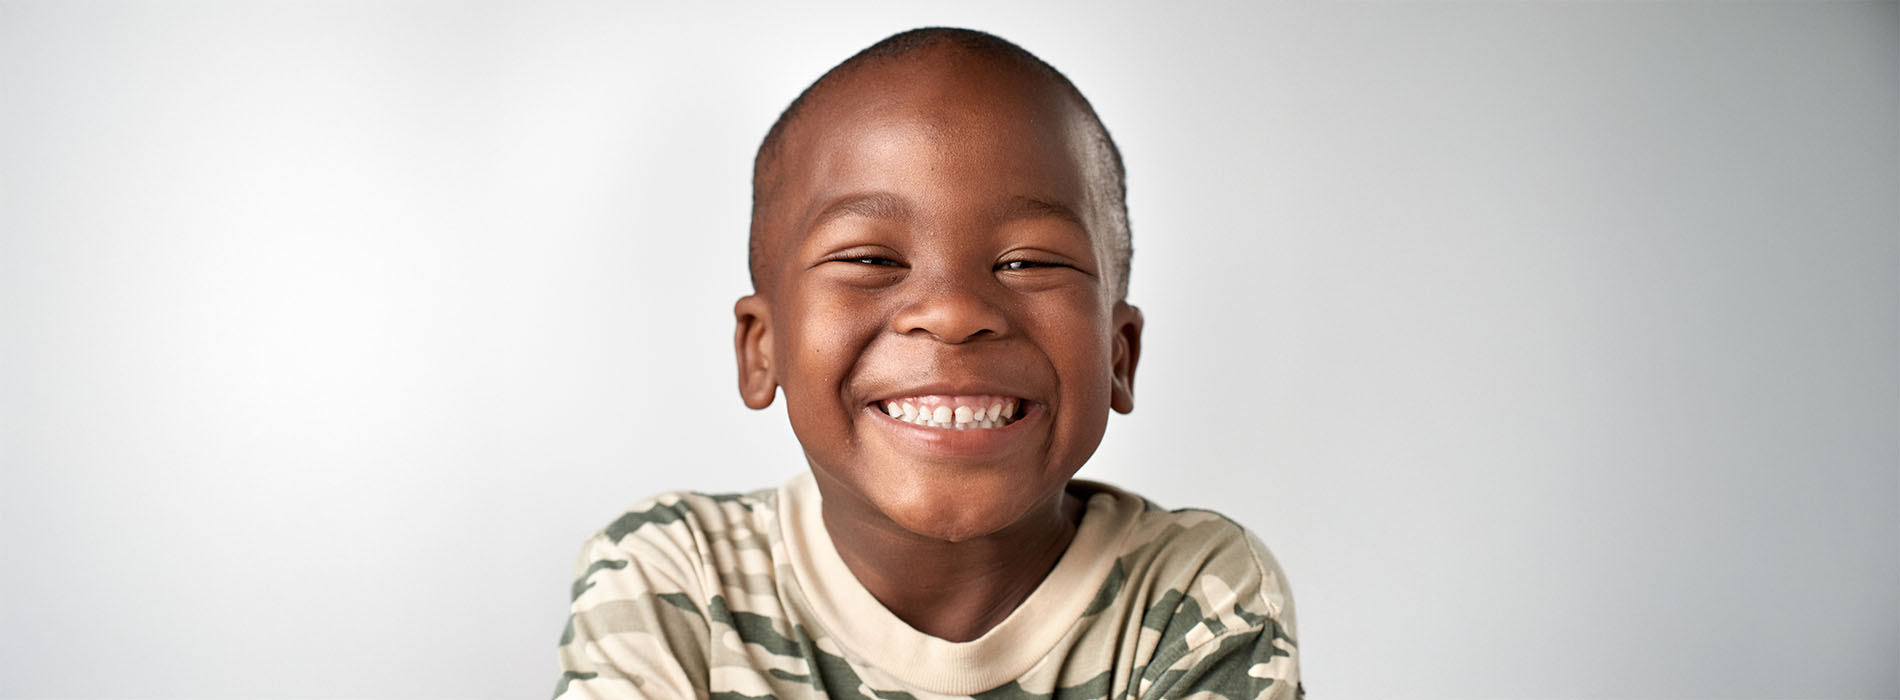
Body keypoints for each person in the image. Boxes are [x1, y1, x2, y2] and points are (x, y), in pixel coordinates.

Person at [554, 27, 1302, 699]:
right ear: (762, 347)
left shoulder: (1189, 593)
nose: (952, 311)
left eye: (1027, 261)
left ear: (1119, 354)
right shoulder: (674, 577)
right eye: (871, 258)